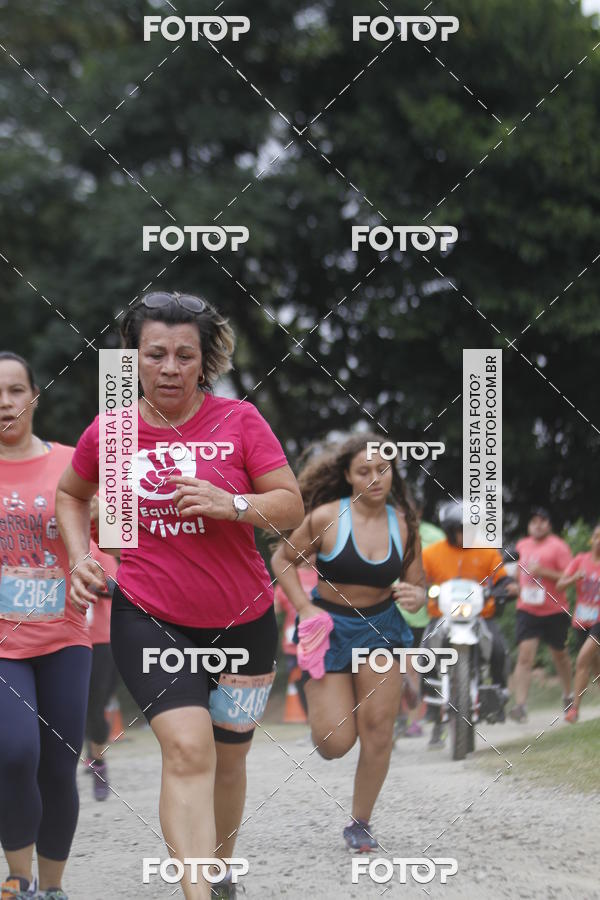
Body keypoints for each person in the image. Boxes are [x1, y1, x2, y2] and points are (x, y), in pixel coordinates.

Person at [55, 292, 304, 900]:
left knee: (229, 757)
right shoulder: (111, 432)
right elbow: (71, 495)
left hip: (244, 621)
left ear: (203, 360)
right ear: (133, 360)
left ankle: (219, 874)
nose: (170, 367)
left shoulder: (240, 422)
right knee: (188, 751)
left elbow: (291, 506)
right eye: (155, 354)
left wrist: (233, 504)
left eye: (184, 355)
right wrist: (83, 556)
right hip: (150, 616)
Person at [271, 435, 425, 853]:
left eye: (383, 469)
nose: (375, 478)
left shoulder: (404, 524)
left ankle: (360, 822)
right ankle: (322, 699)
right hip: (330, 629)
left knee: (377, 732)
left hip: (382, 630)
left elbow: (417, 582)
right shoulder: (326, 517)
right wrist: (304, 608)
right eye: (364, 471)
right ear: (347, 476)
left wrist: (417, 596)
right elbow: (282, 559)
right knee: (335, 743)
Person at [0, 352, 95, 900]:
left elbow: (111, 533)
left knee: (58, 767)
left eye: (16, 391)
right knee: (14, 754)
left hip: (64, 635)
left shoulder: (70, 464)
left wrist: (94, 567)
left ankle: (53, 888)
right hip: (2, 644)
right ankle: (19, 879)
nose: (6, 403)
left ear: (34, 396)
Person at [421, 500, 518, 746]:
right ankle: (432, 706)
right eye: (461, 528)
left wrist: (507, 588)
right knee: (425, 654)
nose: (467, 533)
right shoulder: (431, 553)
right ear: (450, 530)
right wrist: (419, 588)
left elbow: (502, 580)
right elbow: (418, 578)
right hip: (442, 615)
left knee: (498, 649)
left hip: (480, 616)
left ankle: (499, 694)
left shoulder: (488, 552)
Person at [509, 508, 573, 723]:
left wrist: (544, 572)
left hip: (554, 609)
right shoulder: (521, 546)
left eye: (542, 521)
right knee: (525, 656)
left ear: (549, 525)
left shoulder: (558, 547)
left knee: (559, 655)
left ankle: (568, 695)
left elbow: (569, 576)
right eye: (534, 521)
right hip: (527, 608)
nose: (538, 525)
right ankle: (520, 706)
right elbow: (517, 573)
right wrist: (514, 586)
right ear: (529, 525)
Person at [395, 513, 445, 738]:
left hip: (426, 615)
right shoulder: (384, 529)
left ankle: (426, 719)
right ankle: (402, 720)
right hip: (393, 613)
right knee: (397, 669)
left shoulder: (435, 536)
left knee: (422, 668)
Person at [83, 497, 119, 801]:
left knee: (95, 705)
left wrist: (90, 584)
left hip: (101, 638)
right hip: (64, 636)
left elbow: (118, 588)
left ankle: (98, 762)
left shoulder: (100, 544)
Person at [557, 524, 600, 723]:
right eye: (597, 536)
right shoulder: (580, 560)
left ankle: (574, 709)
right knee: (594, 666)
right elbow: (560, 585)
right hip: (581, 620)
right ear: (592, 539)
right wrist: (575, 577)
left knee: (582, 659)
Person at [273, 556, 317, 716]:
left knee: (317, 681)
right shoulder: (288, 575)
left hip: (319, 642)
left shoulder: (323, 575)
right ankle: (310, 723)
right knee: (301, 682)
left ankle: (321, 721)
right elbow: (275, 607)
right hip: (293, 644)